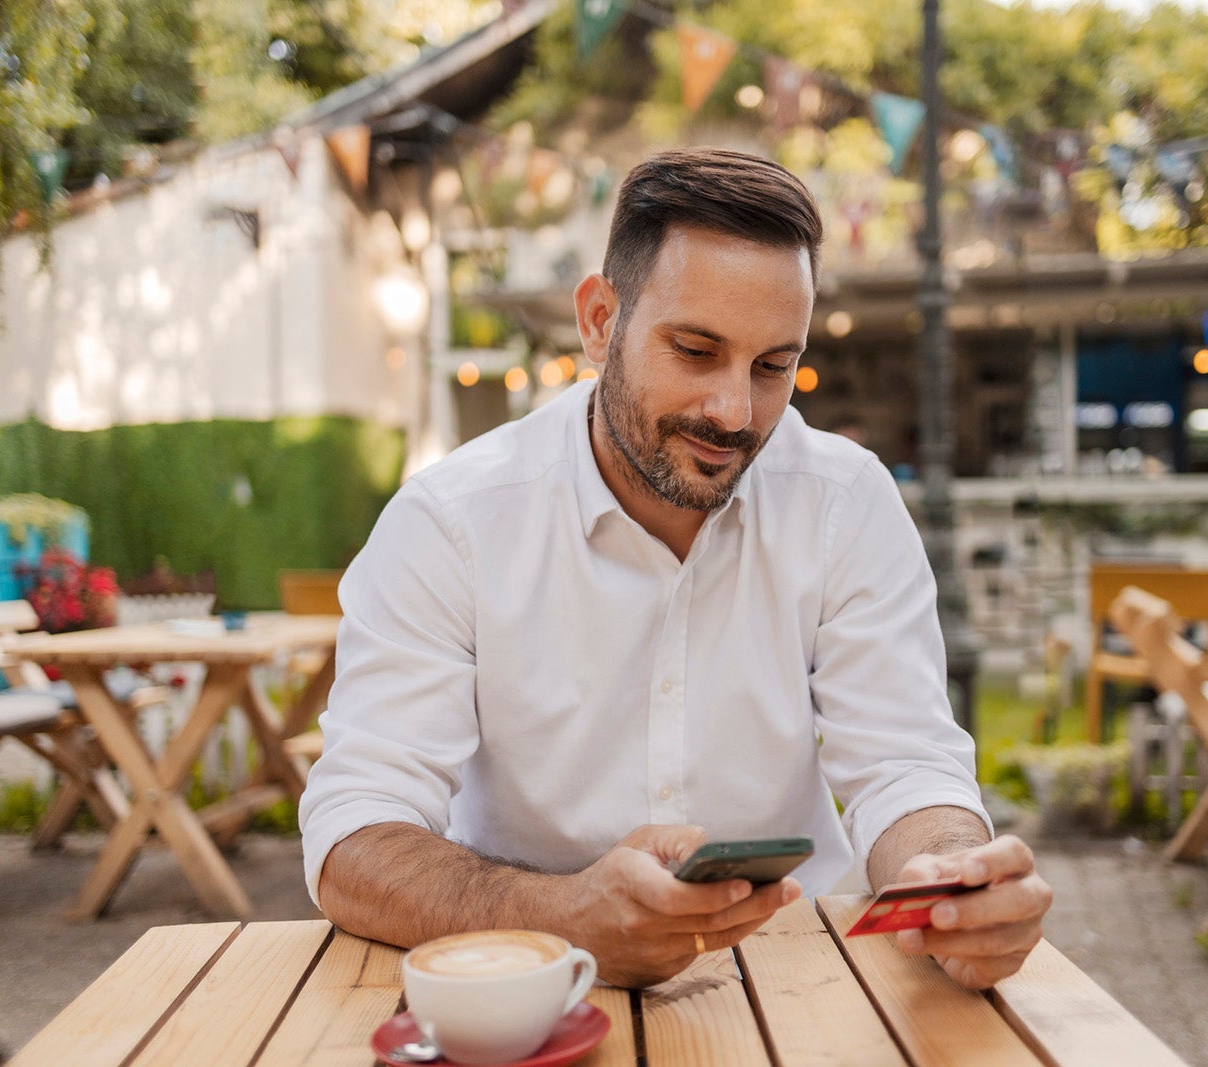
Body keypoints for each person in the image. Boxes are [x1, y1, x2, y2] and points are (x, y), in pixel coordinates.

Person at [300, 147, 1050, 990]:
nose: (735, 413)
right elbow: (354, 835)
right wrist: (561, 913)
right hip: (521, 988)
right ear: (597, 321)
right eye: (696, 350)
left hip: (791, 982)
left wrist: (950, 874)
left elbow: (905, 763)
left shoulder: (845, 502)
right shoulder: (450, 524)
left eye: (774, 367)